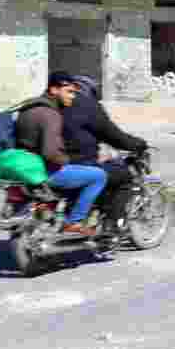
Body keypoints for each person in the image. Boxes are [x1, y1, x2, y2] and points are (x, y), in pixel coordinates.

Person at [15, 71, 107, 237]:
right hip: (45, 172)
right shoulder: (51, 114)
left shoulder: (28, 108)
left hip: (26, 169)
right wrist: (66, 160)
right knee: (99, 175)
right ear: (54, 90)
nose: (72, 97)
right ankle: (75, 221)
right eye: (69, 91)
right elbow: (50, 152)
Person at [62, 75, 149, 239]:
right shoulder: (88, 105)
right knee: (124, 177)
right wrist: (138, 144)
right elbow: (113, 135)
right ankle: (113, 225)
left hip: (53, 163)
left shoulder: (55, 104)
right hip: (78, 164)